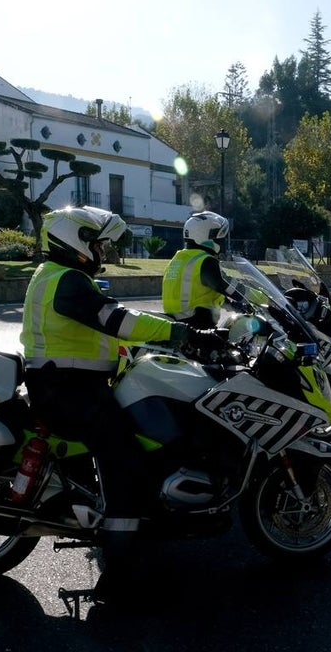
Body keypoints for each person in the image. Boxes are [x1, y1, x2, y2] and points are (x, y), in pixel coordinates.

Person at [20, 206, 220, 595]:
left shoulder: (60, 277)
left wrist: (148, 341)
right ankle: (121, 570)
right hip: (66, 390)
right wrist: (181, 334)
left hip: (67, 385)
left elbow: (106, 327)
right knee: (123, 457)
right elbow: (117, 321)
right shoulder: (67, 281)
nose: (103, 252)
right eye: (99, 244)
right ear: (77, 242)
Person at [161, 211, 239, 329]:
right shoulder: (205, 262)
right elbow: (232, 288)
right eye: (219, 239)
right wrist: (263, 298)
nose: (222, 243)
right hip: (196, 326)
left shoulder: (178, 259)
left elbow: (204, 293)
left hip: (177, 325)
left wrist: (232, 304)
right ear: (207, 237)